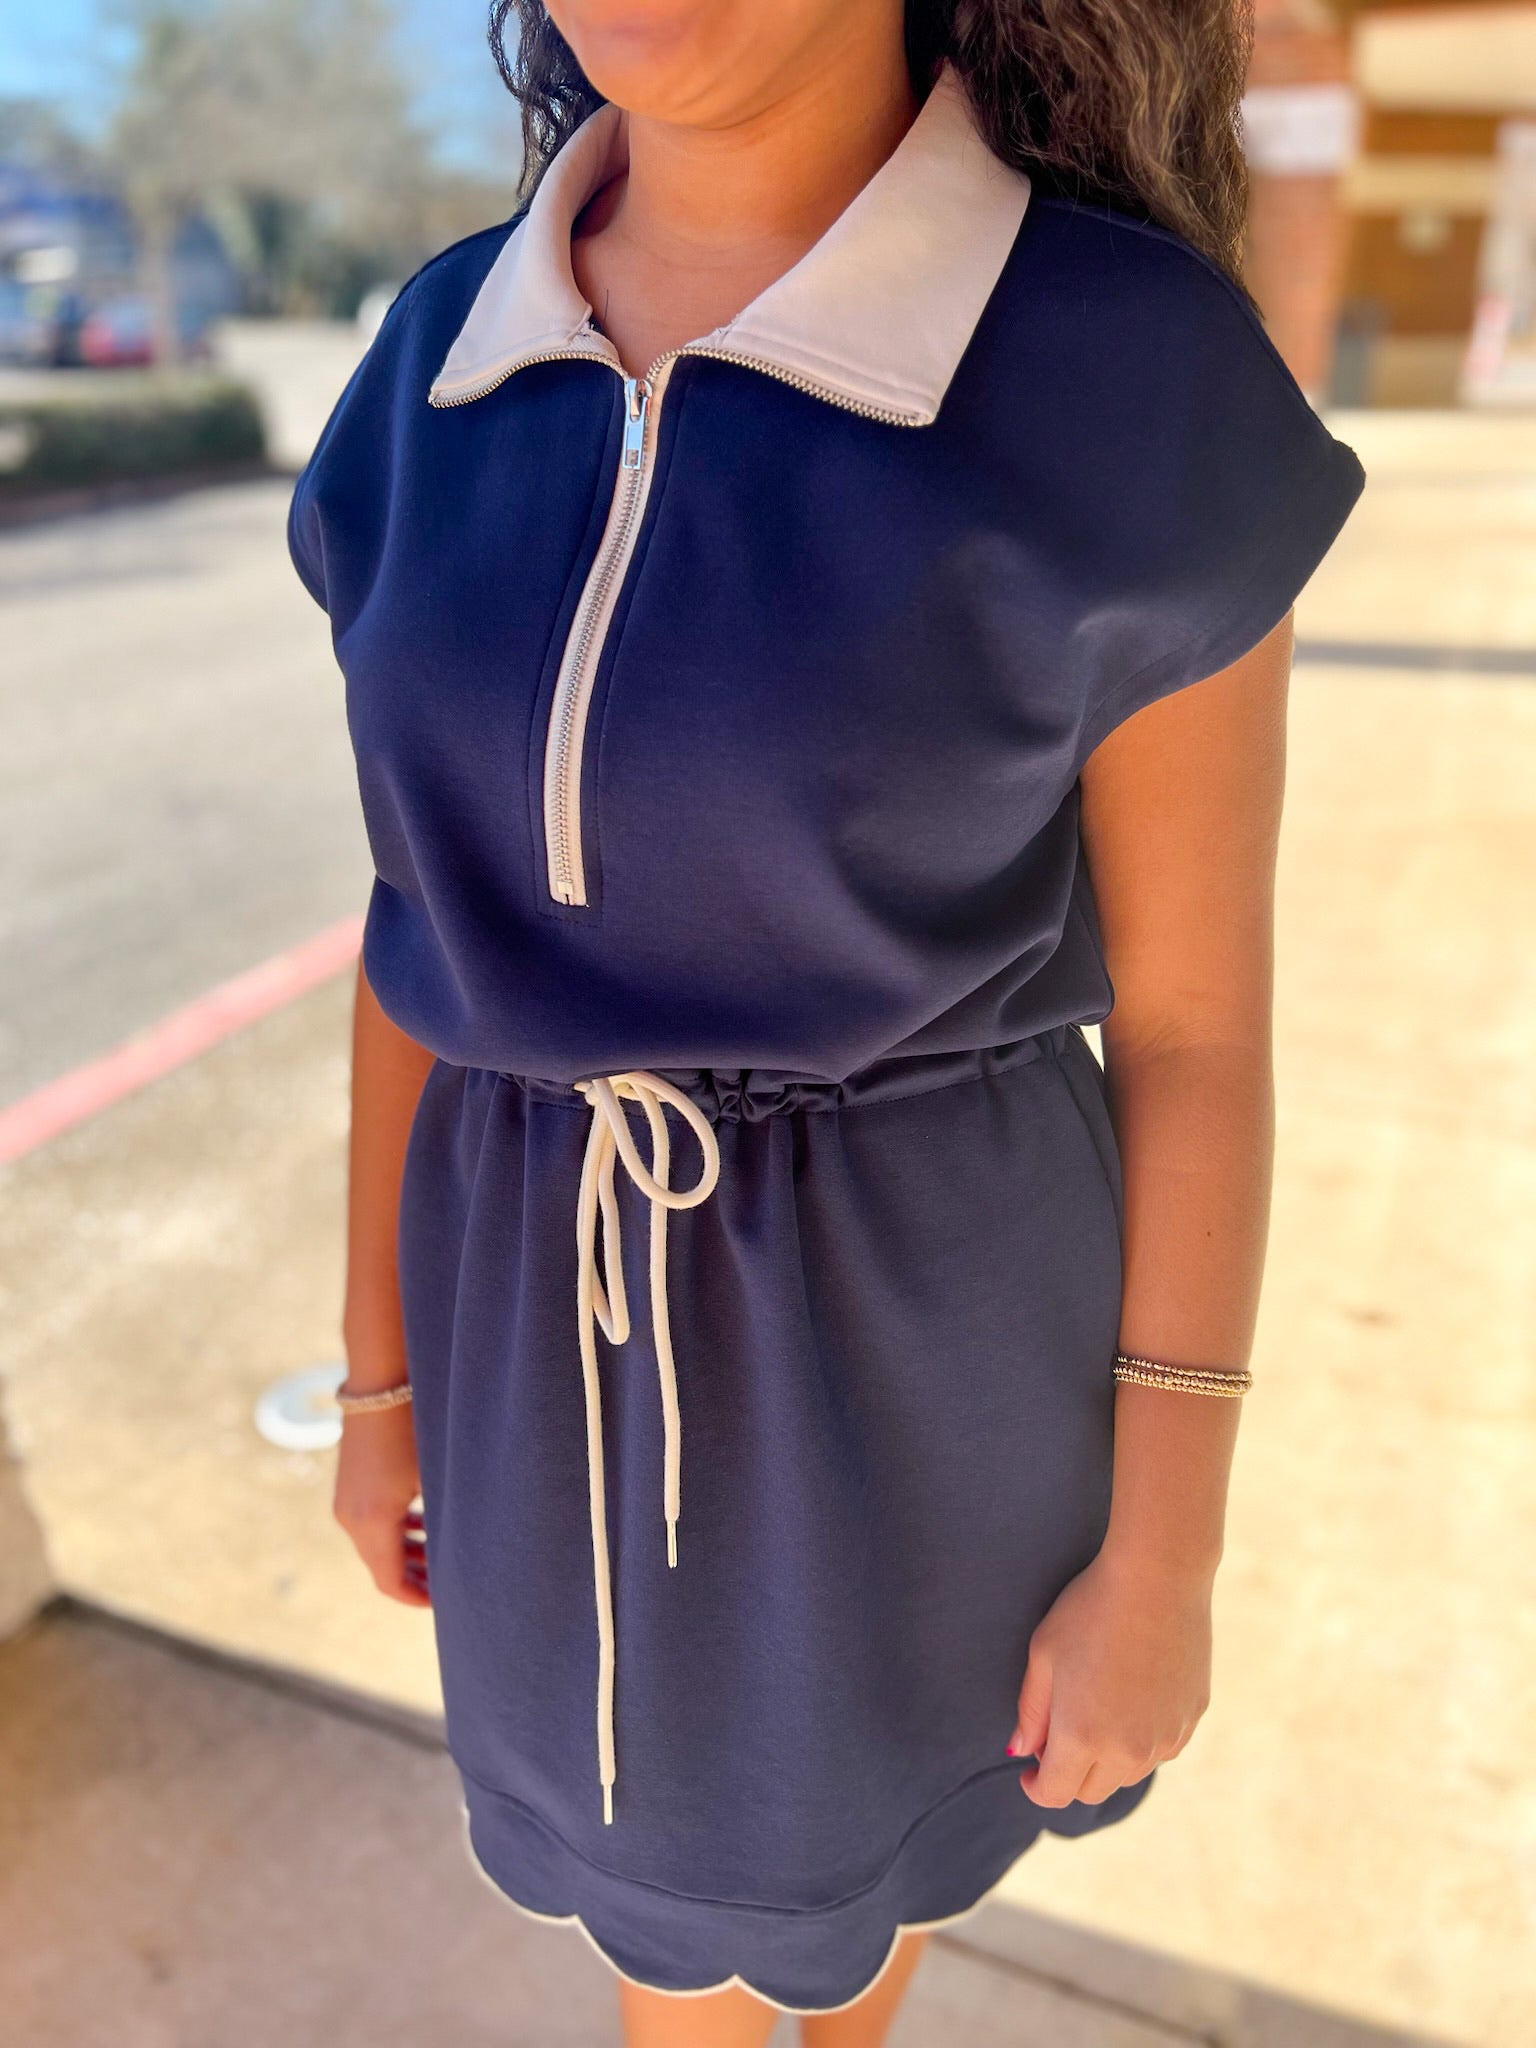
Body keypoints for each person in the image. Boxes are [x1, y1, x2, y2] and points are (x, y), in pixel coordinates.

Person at [286, 3, 1365, 2043]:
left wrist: (1166, 1557)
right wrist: (376, 1384)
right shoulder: (434, 360)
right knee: (659, 1928)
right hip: (536, 1326)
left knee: (860, 1892)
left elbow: (1197, 1030)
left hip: (928, 1344)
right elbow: (414, 927)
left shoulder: (1128, 374)